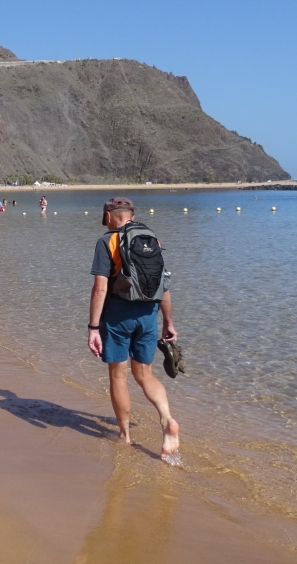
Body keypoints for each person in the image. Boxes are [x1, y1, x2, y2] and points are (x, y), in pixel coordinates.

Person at [87, 197, 180, 459]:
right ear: (131, 214)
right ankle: (167, 418)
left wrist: (93, 327)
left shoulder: (107, 241)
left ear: (108, 216)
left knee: (118, 376)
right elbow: (164, 287)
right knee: (145, 374)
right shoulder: (153, 240)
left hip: (118, 316)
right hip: (149, 315)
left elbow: (100, 288)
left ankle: (125, 436)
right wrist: (169, 323)